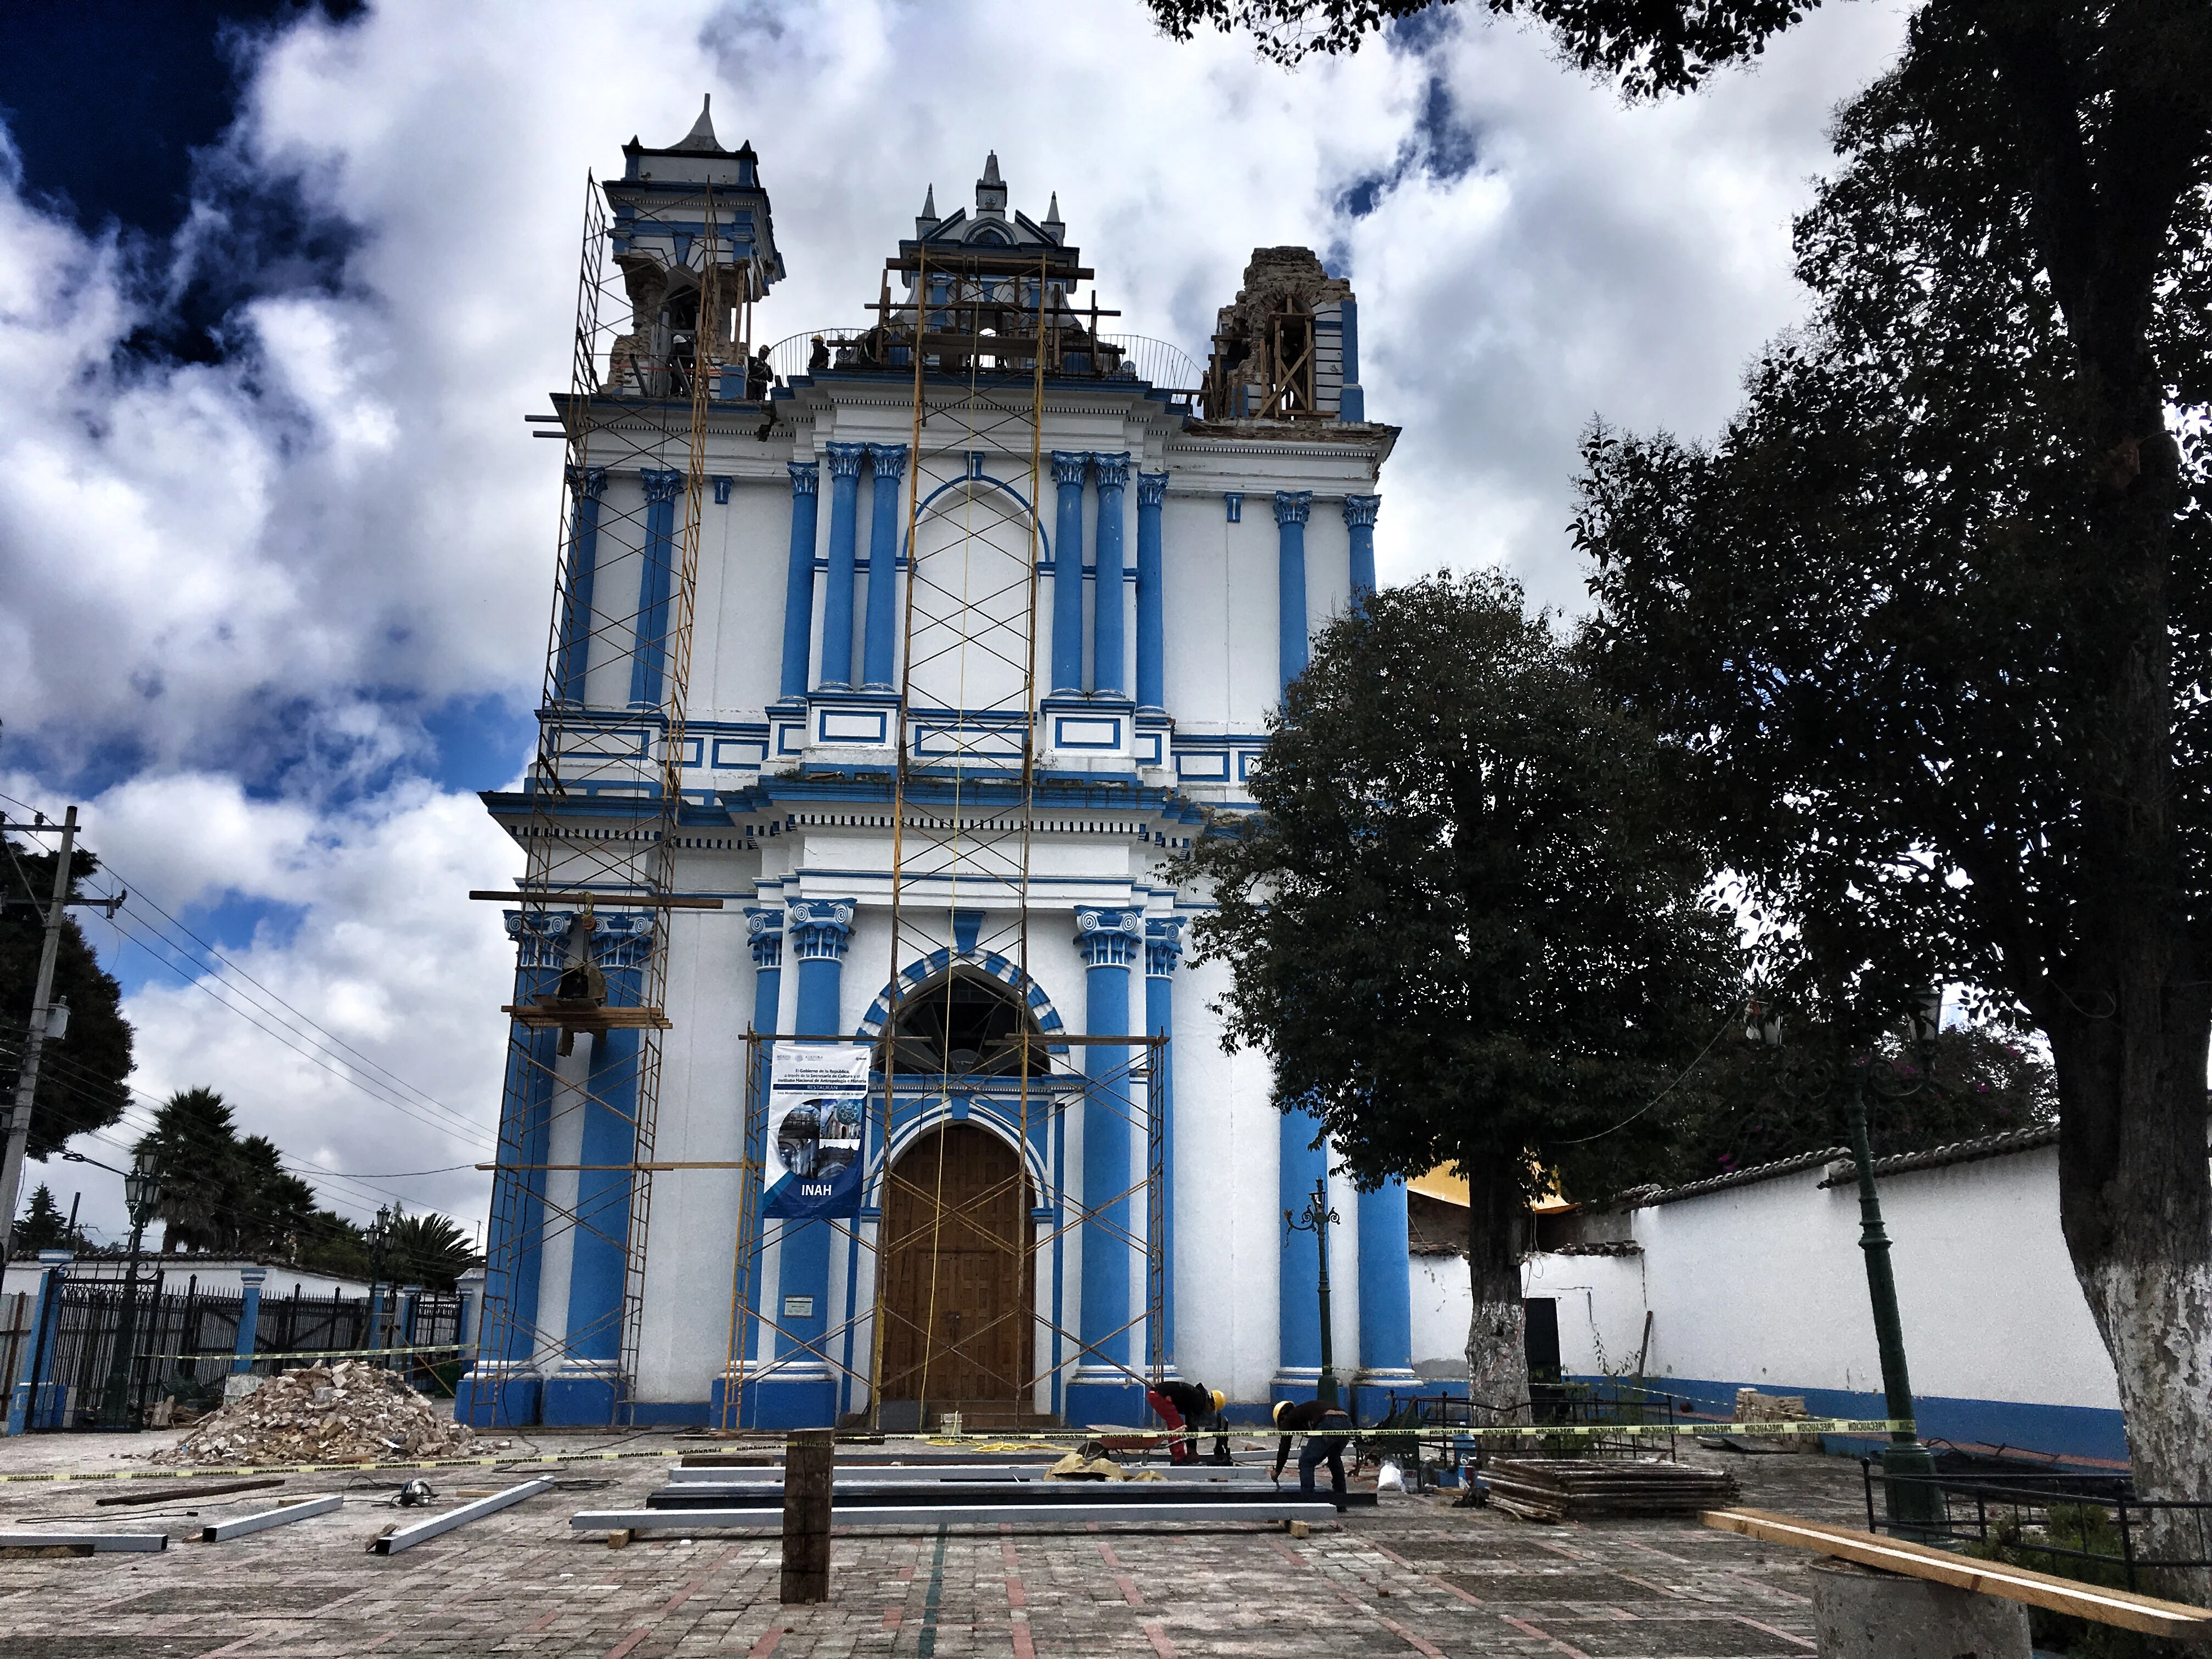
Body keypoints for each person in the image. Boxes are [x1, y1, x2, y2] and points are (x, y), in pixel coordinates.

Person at [1272, 1398, 1354, 1509]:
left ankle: (1308, 1503)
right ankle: (1341, 1501)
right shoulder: (1302, 1412)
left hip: (1328, 1422)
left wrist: (1277, 1471)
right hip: (1346, 1422)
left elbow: (1284, 1448)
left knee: (1306, 1462)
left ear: (1282, 1418)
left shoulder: (1288, 1419)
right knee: (1334, 1458)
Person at [1144, 1380, 1224, 1464]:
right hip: (1160, 1396)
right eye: (1212, 1409)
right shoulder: (1199, 1402)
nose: (1210, 1411)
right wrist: (1192, 1450)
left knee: (1173, 1427)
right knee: (1179, 1426)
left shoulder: (1197, 1396)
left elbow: (1191, 1423)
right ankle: (1180, 1458)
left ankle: (1176, 1455)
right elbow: (1192, 1424)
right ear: (1211, 1404)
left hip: (1155, 1394)